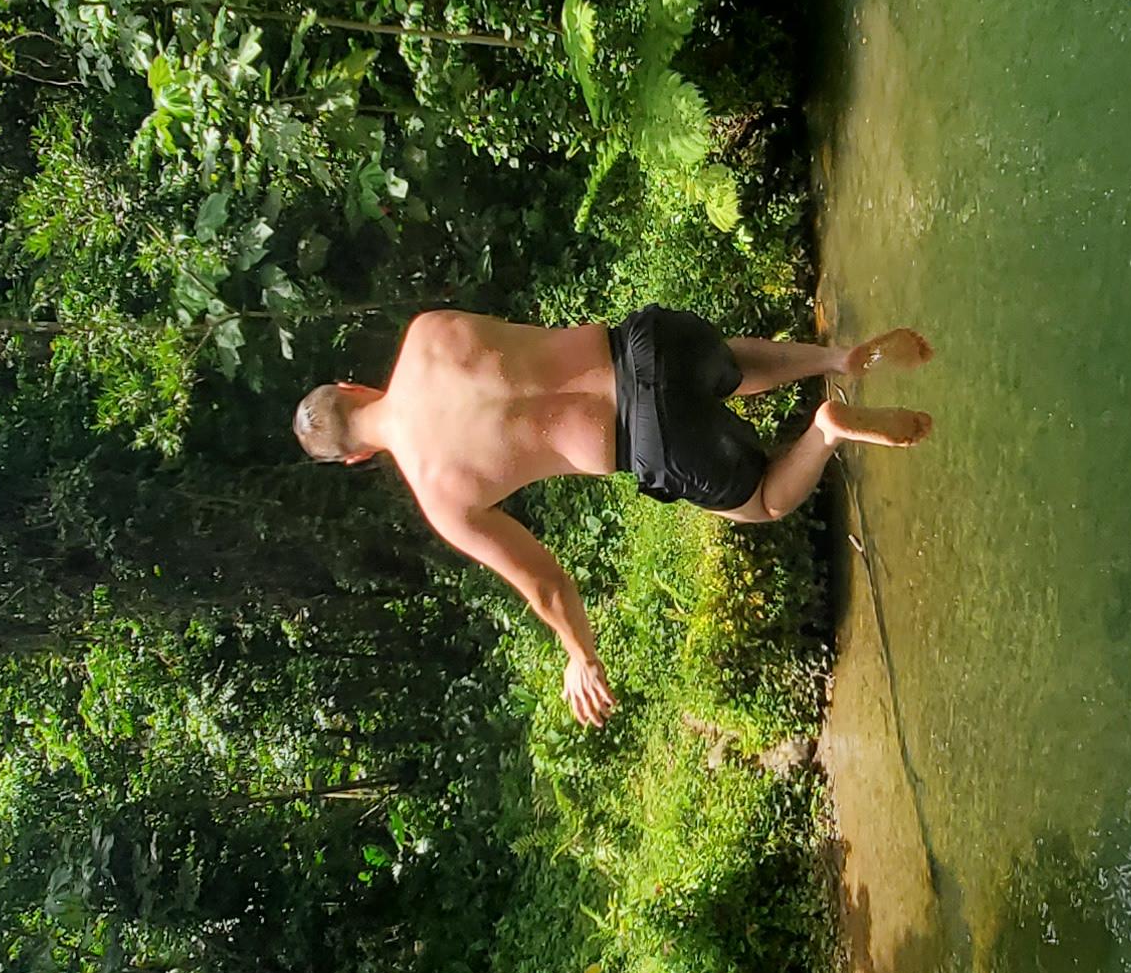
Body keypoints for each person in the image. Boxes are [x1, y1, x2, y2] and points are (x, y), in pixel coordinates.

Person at [294, 309, 931, 723]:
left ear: (354, 458)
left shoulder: (440, 495)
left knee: (762, 502)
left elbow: (546, 584)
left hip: (645, 437)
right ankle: (838, 360)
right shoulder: (428, 332)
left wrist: (580, 654)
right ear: (353, 388)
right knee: (722, 367)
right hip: (647, 345)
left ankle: (825, 430)